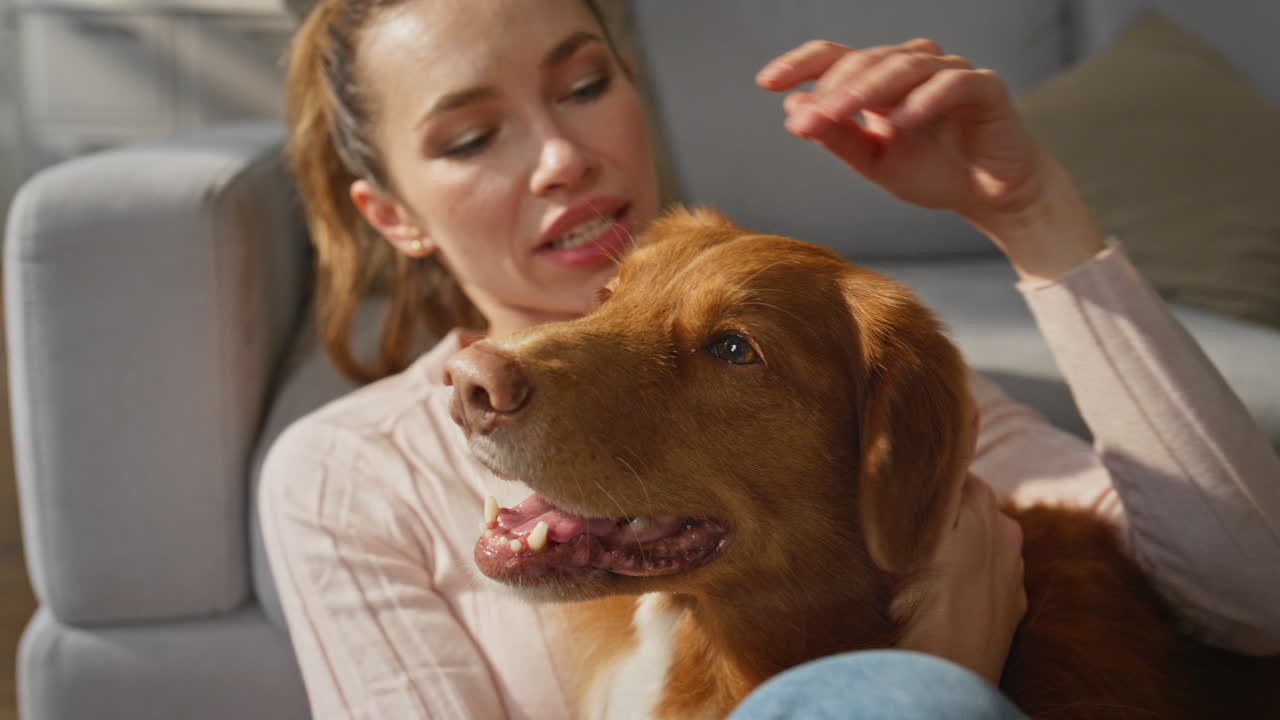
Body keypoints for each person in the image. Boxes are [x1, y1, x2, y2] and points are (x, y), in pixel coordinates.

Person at [258, 0, 1280, 717]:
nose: (563, 156)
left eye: (582, 83)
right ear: (391, 214)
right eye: (473, 137)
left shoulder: (846, 356)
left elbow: (1250, 600)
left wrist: (1030, 213)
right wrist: (934, 668)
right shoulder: (350, 473)